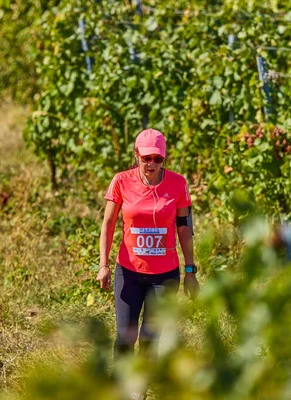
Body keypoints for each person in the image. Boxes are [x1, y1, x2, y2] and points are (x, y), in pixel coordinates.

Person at [97, 129, 199, 395]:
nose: (152, 164)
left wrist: (190, 271)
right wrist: (103, 265)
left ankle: (138, 390)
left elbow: (184, 228)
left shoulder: (178, 184)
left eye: (158, 159)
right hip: (128, 271)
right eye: (146, 158)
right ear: (136, 155)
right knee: (124, 337)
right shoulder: (121, 181)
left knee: (151, 338)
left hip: (164, 276)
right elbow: (108, 225)